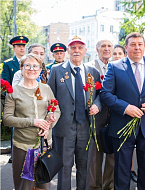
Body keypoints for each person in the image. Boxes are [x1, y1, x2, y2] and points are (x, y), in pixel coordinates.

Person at [100, 32, 145, 190]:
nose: (137, 48)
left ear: (144, 47)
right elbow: (105, 94)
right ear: (126, 47)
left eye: (140, 44)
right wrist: (125, 108)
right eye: (133, 44)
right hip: (122, 127)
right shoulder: (115, 66)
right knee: (122, 172)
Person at [47, 35, 101, 190]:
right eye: (73, 48)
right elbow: (50, 97)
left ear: (85, 50)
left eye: (80, 48)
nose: (76, 51)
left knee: (84, 165)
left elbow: (100, 95)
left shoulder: (93, 72)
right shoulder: (57, 71)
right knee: (64, 166)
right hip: (64, 127)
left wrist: (97, 105)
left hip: (86, 125)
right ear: (68, 51)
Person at [3, 53, 60, 190]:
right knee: (23, 185)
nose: (31, 69)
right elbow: (7, 119)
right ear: (21, 69)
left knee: (43, 184)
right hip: (22, 145)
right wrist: (33, 122)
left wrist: (49, 124)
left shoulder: (45, 88)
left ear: (40, 70)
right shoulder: (14, 91)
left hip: (44, 145)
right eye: (27, 65)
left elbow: (57, 110)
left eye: (35, 66)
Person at [86, 39, 115, 190]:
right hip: (95, 118)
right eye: (103, 46)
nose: (106, 49)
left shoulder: (117, 66)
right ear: (97, 49)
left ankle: (108, 186)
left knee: (111, 156)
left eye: (109, 46)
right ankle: (94, 186)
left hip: (114, 117)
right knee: (95, 157)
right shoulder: (89, 68)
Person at [2, 35, 29, 163]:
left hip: (29, 98)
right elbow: (5, 83)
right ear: (14, 48)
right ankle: (15, 153)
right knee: (15, 126)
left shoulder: (29, 62)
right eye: (19, 46)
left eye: (23, 46)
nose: (22, 48)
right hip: (15, 99)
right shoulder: (8, 64)